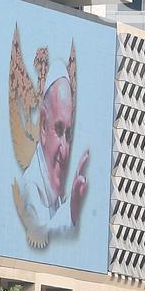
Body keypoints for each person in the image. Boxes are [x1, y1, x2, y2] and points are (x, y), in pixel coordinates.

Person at [18, 68, 88, 244]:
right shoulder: (31, 187)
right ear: (42, 125)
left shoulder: (52, 187)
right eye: (58, 130)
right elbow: (40, 238)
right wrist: (71, 210)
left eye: (68, 134)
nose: (64, 150)